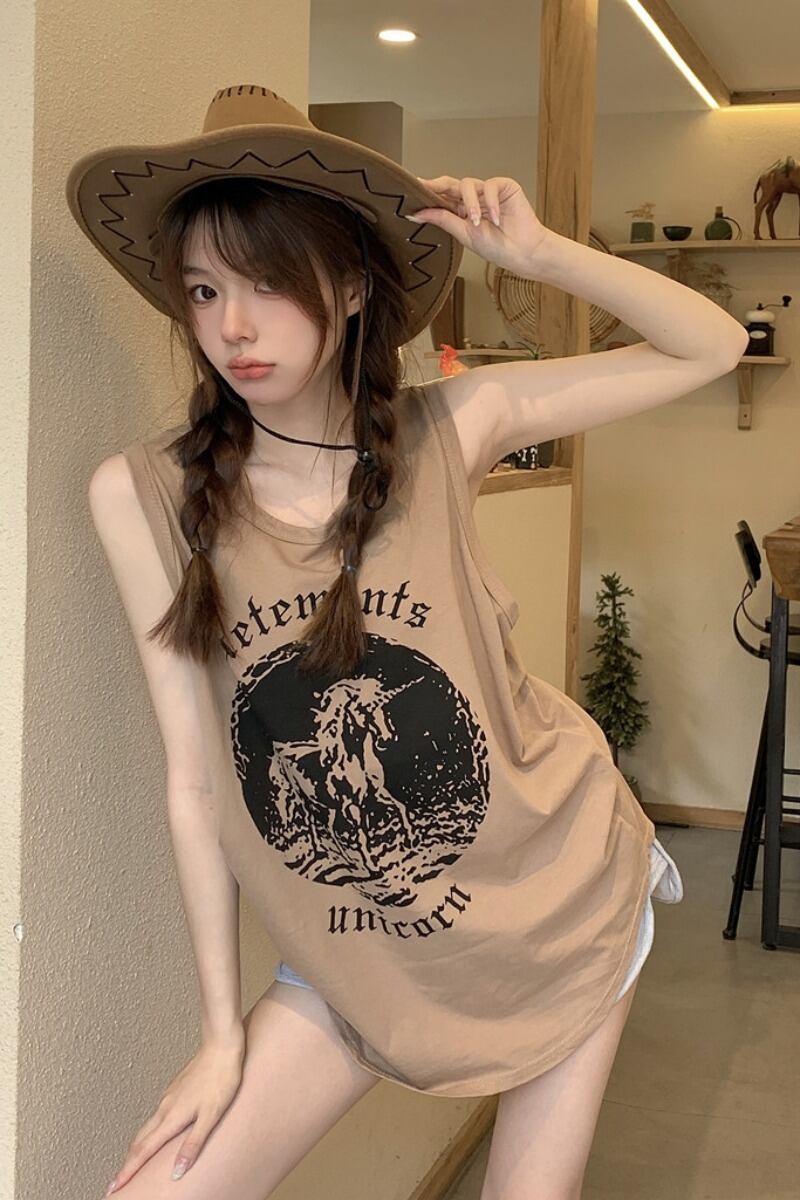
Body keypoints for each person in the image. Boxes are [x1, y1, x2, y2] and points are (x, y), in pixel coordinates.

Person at [68, 83, 745, 1200]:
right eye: (203, 290)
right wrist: (219, 1033)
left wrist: (540, 256)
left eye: (268, 284)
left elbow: (709, 345)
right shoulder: (142, 497)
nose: (232, 328)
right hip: (352, 949)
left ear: (346, 287)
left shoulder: (451, 430)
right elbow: (195, 781)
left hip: (553, 892)